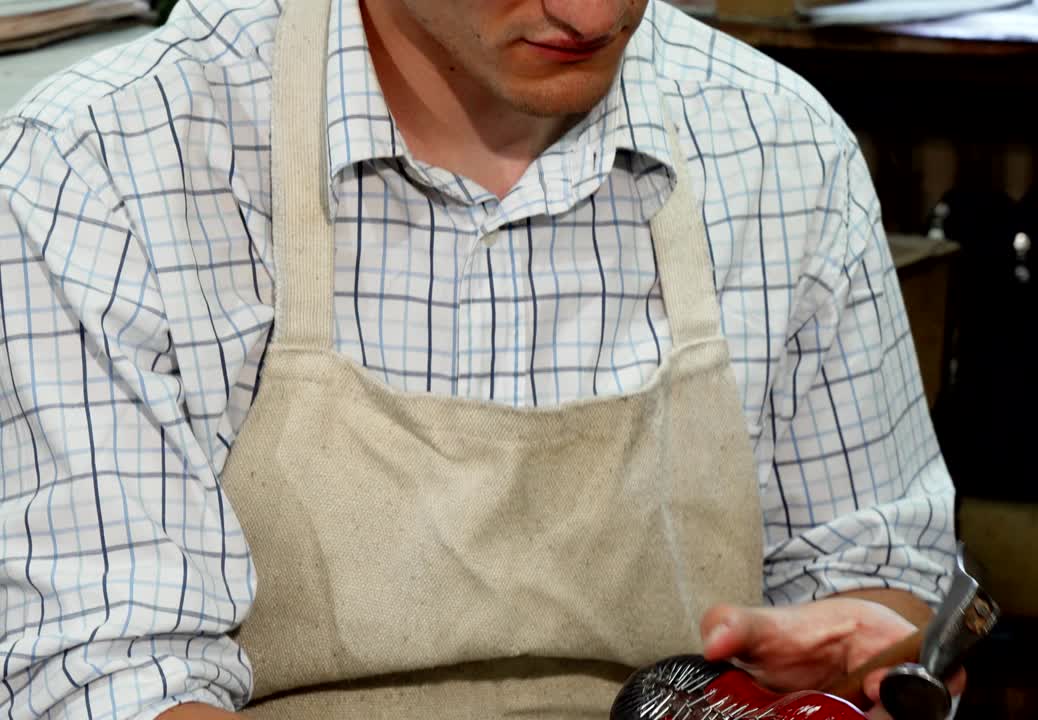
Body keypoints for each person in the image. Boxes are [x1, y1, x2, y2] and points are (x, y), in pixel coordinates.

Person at [0, 0, 961, 718]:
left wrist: (869, 654)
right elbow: (110, 678)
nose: (590, 13)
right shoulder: (107, 168)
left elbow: (877, 569)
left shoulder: (779, 144)